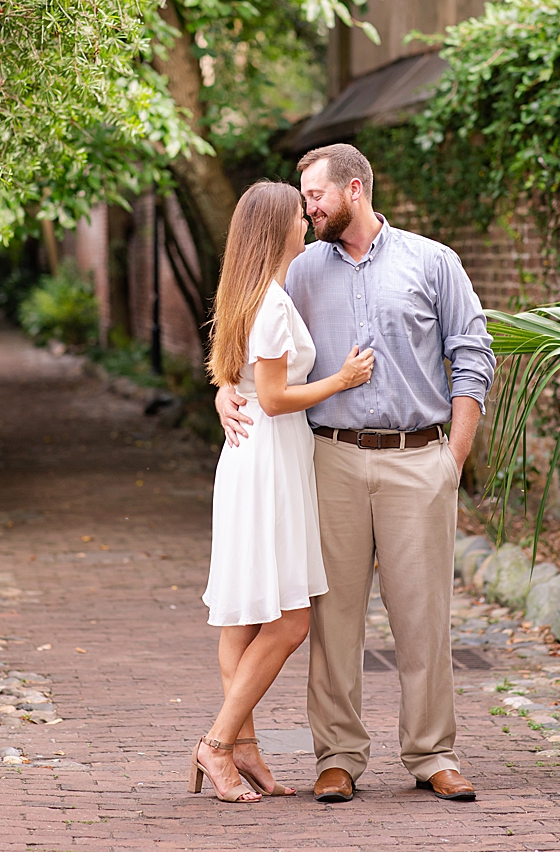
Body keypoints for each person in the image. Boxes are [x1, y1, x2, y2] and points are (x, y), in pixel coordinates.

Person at [217, 143, 495, 805]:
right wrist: (226, 388)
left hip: (417, 457)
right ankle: (337, 757)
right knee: (332, 617)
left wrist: (450, 460)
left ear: (355, 189)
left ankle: (432, 754)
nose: (306, 207)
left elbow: (472, 353)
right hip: (329, 460)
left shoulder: (433, 262)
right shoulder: (301, 270)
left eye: (315, 194)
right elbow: (248, 335)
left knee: (422, 616)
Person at [193, 181, 374, 803]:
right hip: (268, 461)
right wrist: (341, 379)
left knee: (244, 616)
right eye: (299, 215)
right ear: (279, 231)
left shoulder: (253, 293)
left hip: (259, 460)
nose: (307, 221)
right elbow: (271, 398)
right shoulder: (268, 303)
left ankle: (242, 747)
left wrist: (227, 391)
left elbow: (239, 381)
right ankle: (218, 745)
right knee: (289, 621)